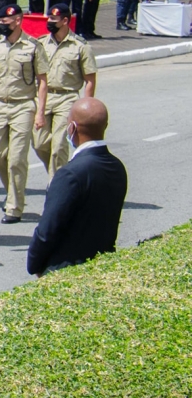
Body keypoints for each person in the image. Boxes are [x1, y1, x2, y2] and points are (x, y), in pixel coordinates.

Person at [26, 98, 128, 277]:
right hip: (103, 264)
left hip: (66, 269)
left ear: (72, 128)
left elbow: (47, 231)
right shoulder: (117, 166)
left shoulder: (70, 174)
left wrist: (34, 265)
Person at [0, 4, 48, 224]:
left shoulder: (32, 46)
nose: (2, 25)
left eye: (6, 22)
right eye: (0, 21)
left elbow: (42, 81)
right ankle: (12, 191)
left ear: (18, 21)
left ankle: (14, 206)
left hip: (23, 106)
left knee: (17, 158)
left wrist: (40, 113)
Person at [33, 3, 96, 176]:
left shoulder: (80, 46)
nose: (49, 21)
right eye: (49, 18)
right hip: (43, 97)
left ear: (65, 21)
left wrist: (86, 108)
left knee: (59, 146)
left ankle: (56, 183)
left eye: (54, 19)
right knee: (39, 143)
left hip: (66, 98)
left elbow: (90, 80)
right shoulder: (41, 43)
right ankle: (61, 174)